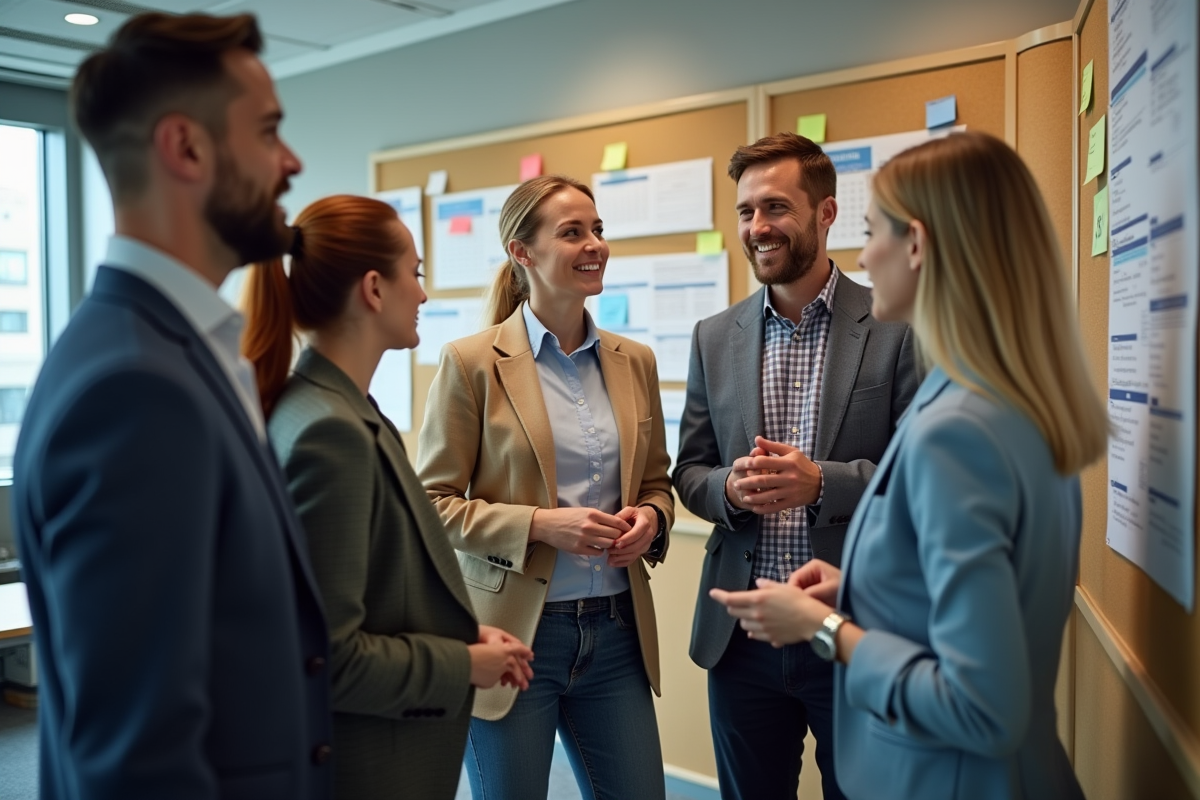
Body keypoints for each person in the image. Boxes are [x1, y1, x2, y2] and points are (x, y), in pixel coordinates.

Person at [711, 130, 1107, 800]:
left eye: (872, 233)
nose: (865, 256)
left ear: (916, 245)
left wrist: (823, 627)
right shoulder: (1008, 400)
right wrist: (859, 587)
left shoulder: (958, 431)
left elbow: (982, 707)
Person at [11, 13, 333, 800]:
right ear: (186, 147)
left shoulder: (176, 351)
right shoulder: (135, 387)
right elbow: (136, 760)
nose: (291, 161)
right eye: (268, 132)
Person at [241, 194, 534, 800]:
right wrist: (463, 665)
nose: (423, 294)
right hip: (367, 765)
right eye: (415, 274)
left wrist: (465, 640)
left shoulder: (329, 406)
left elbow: (377, 594)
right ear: (374, 289)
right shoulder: (330, 434)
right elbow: (328, 657)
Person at [673, 131, 919, 800]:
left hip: (852, 624)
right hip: (742, 635)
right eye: (746, 211)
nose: (758, 226)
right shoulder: (713, 337)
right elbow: (690, 471)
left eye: (776, 207)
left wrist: (823, 484)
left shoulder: (896, 326)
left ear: (826, 212)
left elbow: (919, 478)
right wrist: (727, 489)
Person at [417, 175, 675, 800]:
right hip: (514, 637)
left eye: (598, 230)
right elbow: (430, 505)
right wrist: (539, 524)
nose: (595, 245)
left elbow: (656, 483)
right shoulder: (470, 362)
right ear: (522, 252)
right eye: (572, 232)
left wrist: (651, 520)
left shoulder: (635, 361)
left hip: (617, 633)